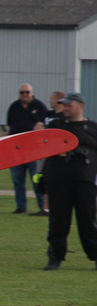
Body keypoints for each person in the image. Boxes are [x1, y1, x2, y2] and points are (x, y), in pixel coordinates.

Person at [39, 91, 97, 270]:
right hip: (59, 180)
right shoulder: (56, 126)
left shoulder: (93, 128)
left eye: (68, 105)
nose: (65, 108)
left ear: (80, 106)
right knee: (58, 221)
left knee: (87, 220)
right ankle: (55, 256)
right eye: (63, 105)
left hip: (85, 181)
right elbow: (42, 146)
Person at [6, 83, 51, 214]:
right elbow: (10, 124)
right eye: (22, 93)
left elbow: (46, 126)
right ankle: (21, 207)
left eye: (27, 92)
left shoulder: (40, 106)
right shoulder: (14, 107)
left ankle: (42, 207)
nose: (24, 95)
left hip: (33, 149)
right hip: (16, 148)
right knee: (17, 180)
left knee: (36, 179)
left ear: (31, 93)